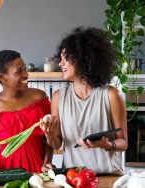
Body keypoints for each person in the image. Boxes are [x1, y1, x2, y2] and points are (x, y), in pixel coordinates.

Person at [42, 27, 128, 175]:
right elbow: (57, 144)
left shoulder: (111, 95)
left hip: (109, 177)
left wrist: (107, 144)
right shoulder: (58, 97)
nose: (61, 64)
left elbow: (123, 143)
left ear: (84, 59)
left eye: (66, 58)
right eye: (60, 59)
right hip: (74, 177)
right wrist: (50, 136)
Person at [0, 50, 54, 175]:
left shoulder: (39, 98)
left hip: (39, 169)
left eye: (24, 69)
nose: (25, 75)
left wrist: (46, 163)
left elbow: (47, 139)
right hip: (6, 171)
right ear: (2, 77)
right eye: (19, 71)